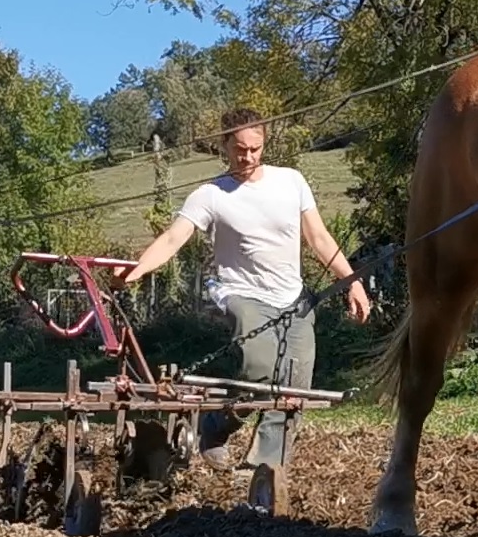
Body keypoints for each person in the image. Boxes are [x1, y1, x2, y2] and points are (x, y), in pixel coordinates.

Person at [118, 107, 371, 487]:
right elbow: (173, 238)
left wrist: (351, 281)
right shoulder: (211, 195)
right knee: (259, 365)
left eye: (256, 148)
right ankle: (216, 423)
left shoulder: (292, 182)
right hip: (240, 293)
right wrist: (137, 270)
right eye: (240, 149)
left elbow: (318, 238)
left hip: (293, 298)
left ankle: (261, 471)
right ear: (224, 145)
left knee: (294, 386)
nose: (248, 157)